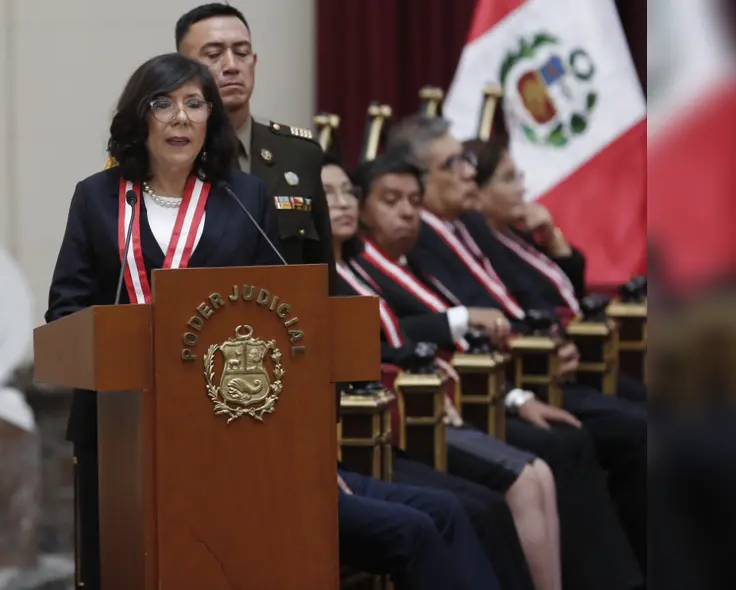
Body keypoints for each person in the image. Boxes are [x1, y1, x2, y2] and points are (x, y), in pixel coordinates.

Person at [46, 53, 496, 590]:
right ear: (139, 117)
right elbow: (65, 310)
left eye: (195, 104)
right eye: (163, 104)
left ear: (212, 118)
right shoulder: (97, 197)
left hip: (230, 426)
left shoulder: (243, 196)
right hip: (122, 429)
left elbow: (277, 309)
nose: (181, 117)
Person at [345, 152, 645, 590]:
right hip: (413, 411)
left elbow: (509, 306)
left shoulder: (419, 251)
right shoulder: (355, 263)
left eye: (413, 199)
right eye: (392, 200)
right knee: (519, 479)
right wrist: (507, 383)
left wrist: (515, 390)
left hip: (475, 388)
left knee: (572, 447)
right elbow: (402, 344)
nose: (408, 211)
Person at [325, 155, 544, 590]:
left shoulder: (361, 264)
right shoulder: (312, 274)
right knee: (469, 508)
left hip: (409, 413)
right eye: (327, 194)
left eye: (346, 191)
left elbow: (398, 341)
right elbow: (374, 353)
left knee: (497, 492)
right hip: (371, 427)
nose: (342, 203)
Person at [461, 136, 647, 404]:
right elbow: (532, 304)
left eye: (519, 176)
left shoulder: (513, 233)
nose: (522, 187)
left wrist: (552, 238)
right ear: (477, 192)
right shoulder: (480, 245)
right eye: (509, 179)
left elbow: (571, 290)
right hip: (542, 368)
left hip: (577, 355)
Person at [175, 3, 336, 290]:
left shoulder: (298, 154)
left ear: (254, 61)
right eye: (213, 55)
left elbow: (323, 273)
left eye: (242, 52)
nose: (232, 65)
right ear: (181, 69)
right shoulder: (168, 156)